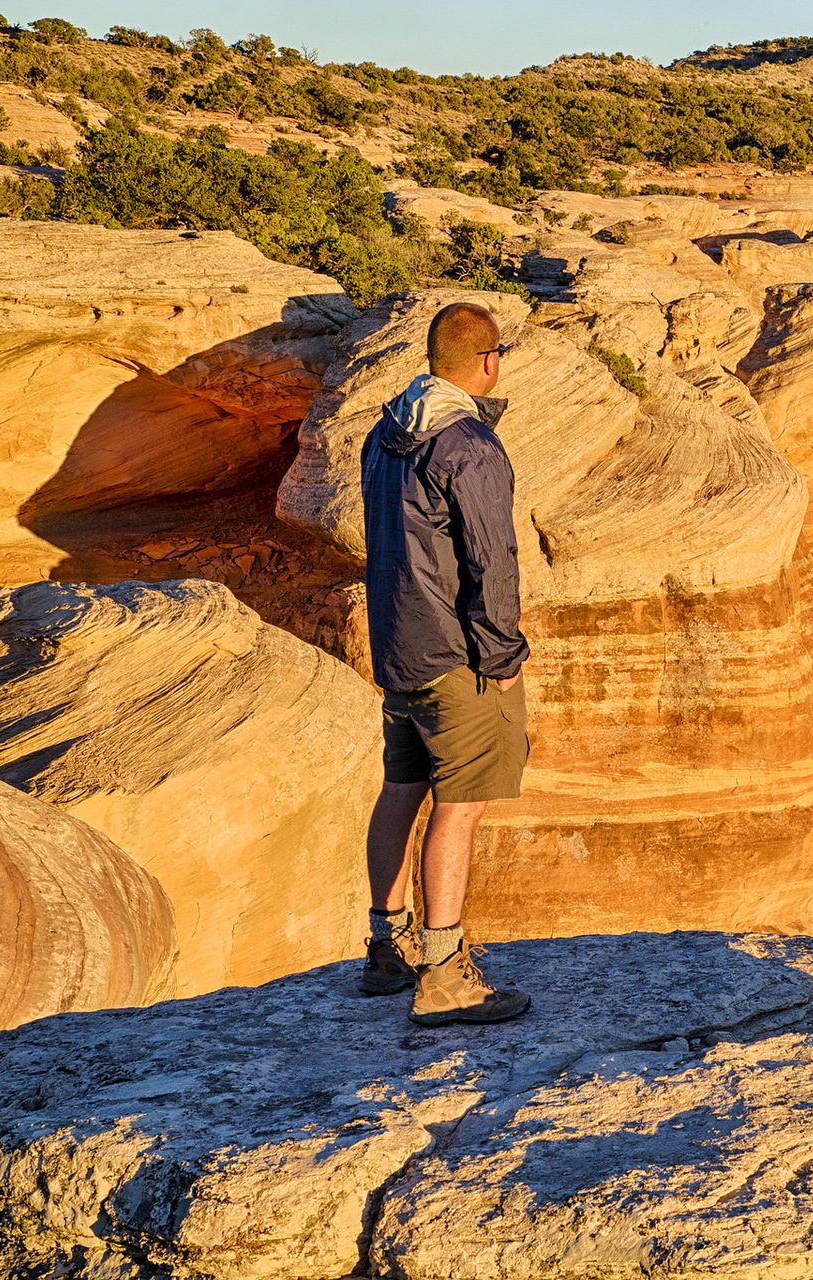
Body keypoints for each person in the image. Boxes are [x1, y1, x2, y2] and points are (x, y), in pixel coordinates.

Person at [356, 301, 532, 1026]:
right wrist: (503, 654)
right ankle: (445, 974)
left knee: (401, 789)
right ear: (489, 361)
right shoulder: (468, 445)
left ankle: (386, 948)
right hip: (457, 656)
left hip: (398, 648)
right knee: (458, 807)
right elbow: (492, 560)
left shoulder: (384, 432)